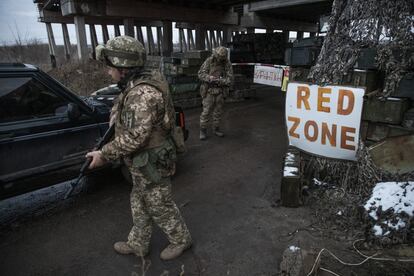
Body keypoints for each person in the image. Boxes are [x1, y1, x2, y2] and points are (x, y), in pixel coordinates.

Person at [86, 35, 192, 260]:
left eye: (110, 67)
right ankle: (138, 244)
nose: (108, 72)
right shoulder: (138, 82)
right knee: (139, 202)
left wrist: (104, 154)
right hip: (141, 161)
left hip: (152, 160)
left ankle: (182, 240)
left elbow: (135, 137)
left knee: (159, 205)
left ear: (123, 67)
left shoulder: (142, 94)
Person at [198, 46, 233, 140]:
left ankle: (216, 129)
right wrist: (209, 78)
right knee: (206, 112)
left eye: (221, 58)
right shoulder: (209, 61)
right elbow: (200, 74)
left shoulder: (227, 63)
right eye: (218, 57)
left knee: (218, 112)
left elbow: (230, 79)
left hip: (220, 91)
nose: (219, 60)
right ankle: (203, 131)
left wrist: (221, 81)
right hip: (209, 90)